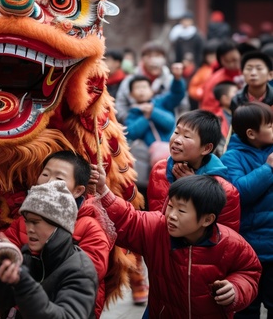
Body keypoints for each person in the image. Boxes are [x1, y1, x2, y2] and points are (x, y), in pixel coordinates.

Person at [96, 174, 261, 318]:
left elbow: (249, 272)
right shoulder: (156, 229)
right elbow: (127, 220)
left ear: (207, 219)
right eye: (170, 206)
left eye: (181, 211)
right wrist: (103, 190)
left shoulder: (231, 244)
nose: (172, 216)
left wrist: (236, 289)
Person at [0, 149, 115, 318]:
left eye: (59, 178)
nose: (49, 182)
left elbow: (90, 272)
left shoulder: (90, 226)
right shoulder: (25, 219)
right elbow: (7, 248)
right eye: (45, 175)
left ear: (78, 190)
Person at [0, 180, 98, 319]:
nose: (29, 229)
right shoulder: (28, 256)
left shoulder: (80, 269)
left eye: (36, 222)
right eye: (27, 221)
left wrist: (24, 283)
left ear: (59, 224)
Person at [221, 102, 273, 318]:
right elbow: (238, 193)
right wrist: (267, 168)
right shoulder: (232, 157)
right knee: (246, 307)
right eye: (270, 125)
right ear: (251, 133)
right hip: (250, 248)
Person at [148, 109, 241, 231]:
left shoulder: (226, 191)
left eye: (186, 136)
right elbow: (154, 219)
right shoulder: (160, 169)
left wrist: (193, 188)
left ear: (206, 148)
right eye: (176, 132)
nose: (177, 140)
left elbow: (224, 238)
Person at [125, 63, 185, 197]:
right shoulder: (133, 113)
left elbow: (169, 121)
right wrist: (145, 118)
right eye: (137, 88)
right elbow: (132, 132)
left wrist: (177, 79)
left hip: (171, 148)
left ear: (151, 90)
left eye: (144, 87)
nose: (141, 90)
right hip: (148, 156)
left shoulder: (160, 103)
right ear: (131, 94)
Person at [115, 40, 175, 123]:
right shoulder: (130, 79)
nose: (154, 60)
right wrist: (131, 121)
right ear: (143, 58)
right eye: (149, 56)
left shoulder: (171, 80)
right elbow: (120, 105)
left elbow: (181, 105)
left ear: (164, 58)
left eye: (157, 56)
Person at [200, 39, 242, 113]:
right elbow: (208, 106)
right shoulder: (215, 79)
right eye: (227, 61)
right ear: (220, 61)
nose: (232, 64)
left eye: (235, 60)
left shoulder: (248, 73)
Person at [213, 81, 238, 146]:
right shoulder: (217, 119)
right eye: (235, 93)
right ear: (224, 99)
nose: (239, 95)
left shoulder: (240, 114)